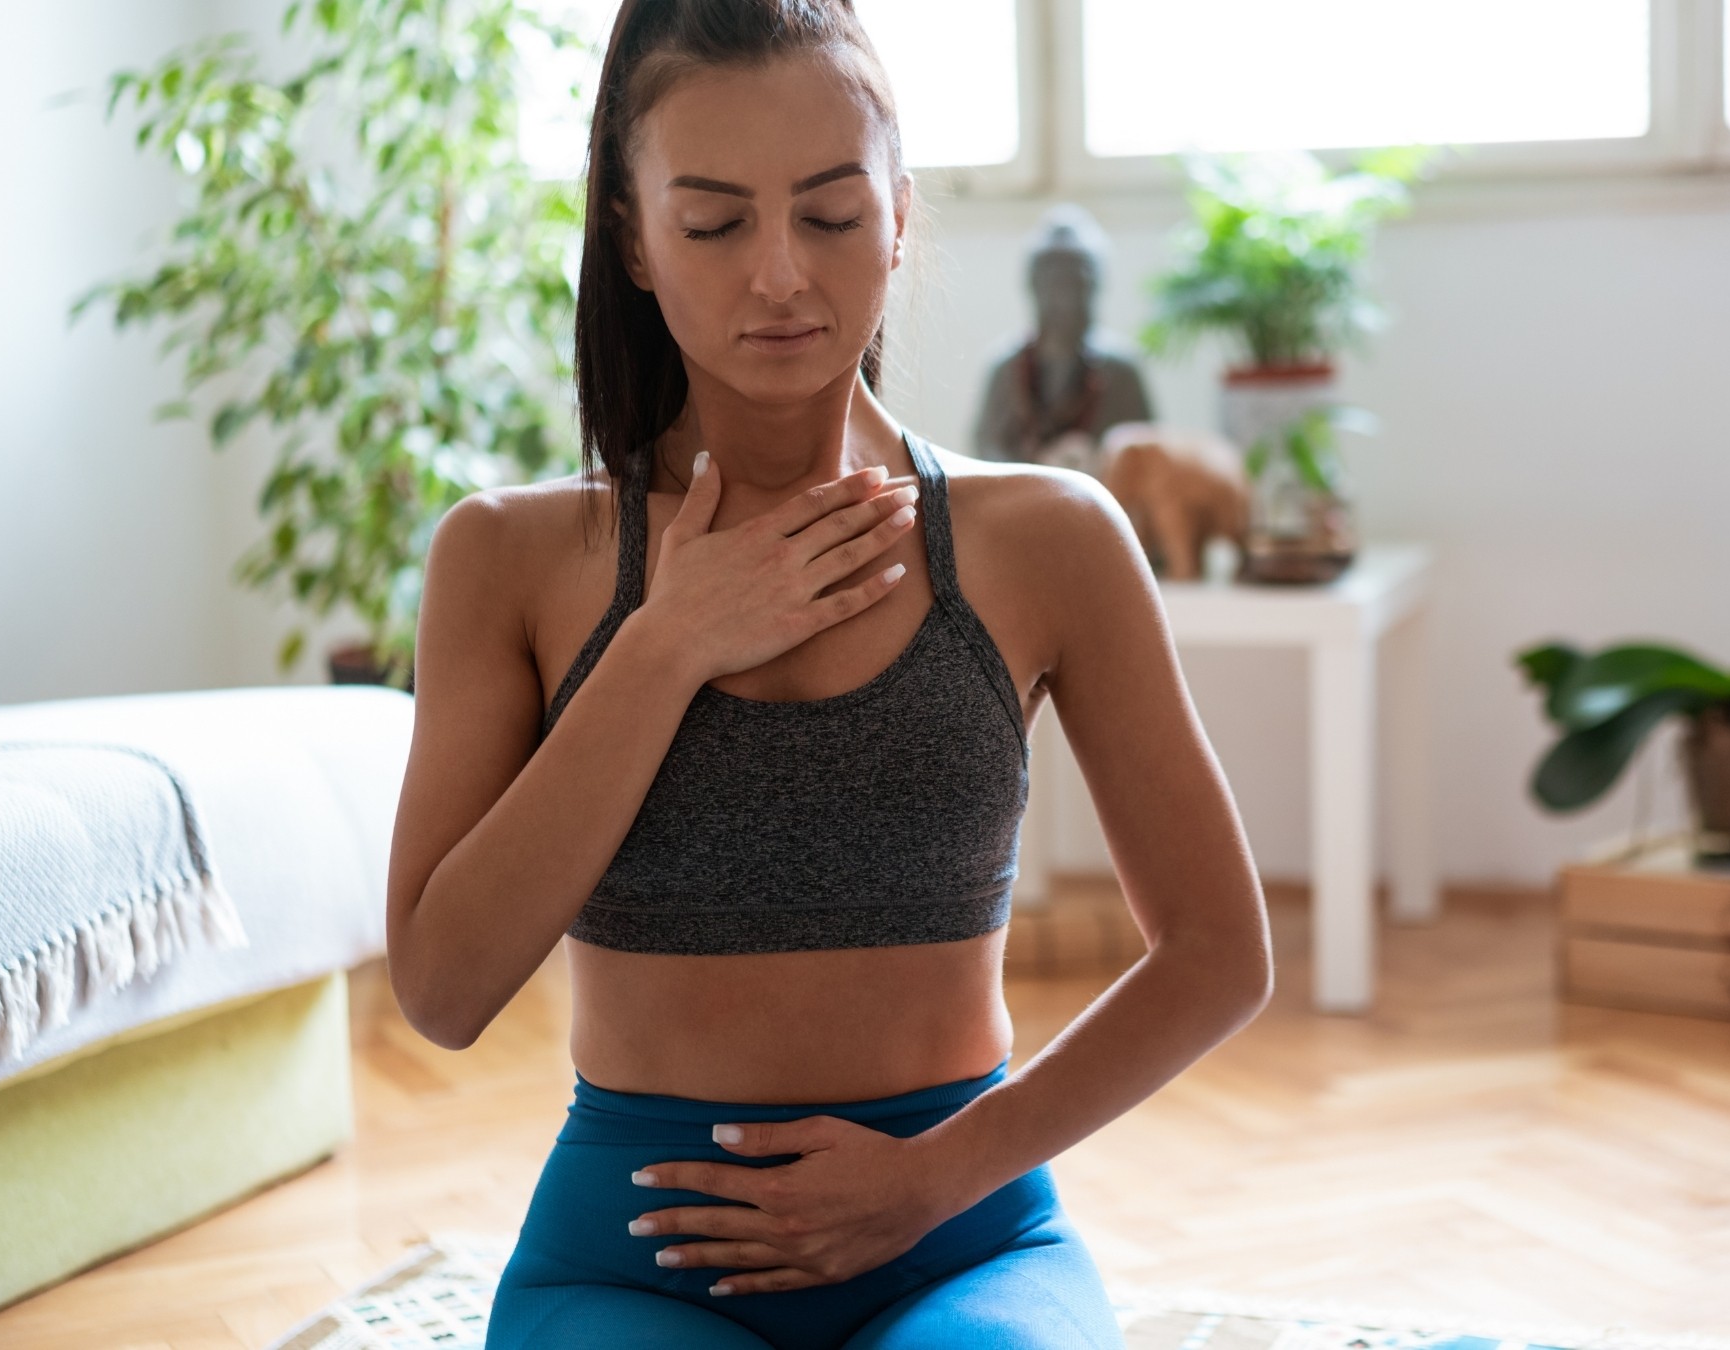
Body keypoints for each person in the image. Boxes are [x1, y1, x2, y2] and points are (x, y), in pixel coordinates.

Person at [385, 1, 1271, 1346]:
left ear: (901, 215)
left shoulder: (1048, 540)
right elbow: (443, 990)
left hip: (961, 1235)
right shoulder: (510, 559)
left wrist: (931, 1179)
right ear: (632, 235)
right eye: (715, 221)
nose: (783, 277)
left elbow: (1220, 953)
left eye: (831, 214)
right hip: (626, 1256)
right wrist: (667, 642)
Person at [972, 205, 1153, 469]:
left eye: (1078, 286)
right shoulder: (1007, 369)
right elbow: (985, 452)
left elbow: (1147, 456)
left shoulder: (1121, 371)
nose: (1067, 302)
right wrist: (1037, 468)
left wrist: (1097, 461)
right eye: (1056, 285)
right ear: (1035, 288)